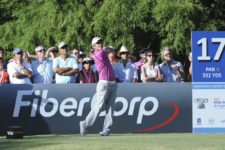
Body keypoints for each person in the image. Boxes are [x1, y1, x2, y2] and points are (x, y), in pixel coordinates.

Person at [80, 37, 117, 136]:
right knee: (99, 106)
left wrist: (106, 48)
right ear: (94, 45)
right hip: (104, 84)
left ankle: (107, 129)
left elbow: (109, 49)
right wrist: (107, 48)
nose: (100, 43)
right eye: (97, 43)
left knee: (110, 108)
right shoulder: (99, 53)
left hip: (113, 83)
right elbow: (109, 49)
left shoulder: (98, 52)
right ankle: (85, 124)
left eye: (101, 42)